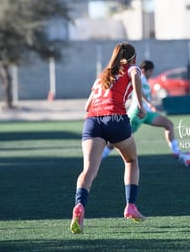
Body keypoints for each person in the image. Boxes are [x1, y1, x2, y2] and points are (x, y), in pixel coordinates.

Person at [70, 42, 146, 234]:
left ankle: (79, 206)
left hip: (93, 121)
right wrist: (139, 103)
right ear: (133, 58)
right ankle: (130, 206)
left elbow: (87, 106)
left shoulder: (103, 75)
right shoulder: (131, 68)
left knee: (88, 170)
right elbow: (136, 74)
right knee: (131, 160)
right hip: (116, 119)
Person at [102, 60, 189, 164]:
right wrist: (149, 103)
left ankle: (176, 152)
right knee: (120, 138)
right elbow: (139, 91)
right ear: (145, 70)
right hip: (137, 113)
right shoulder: (139, 77)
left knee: (169, 125)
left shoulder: (145, 80)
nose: (151, 74)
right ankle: (102, 155)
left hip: (147, 113)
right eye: (150, 71)